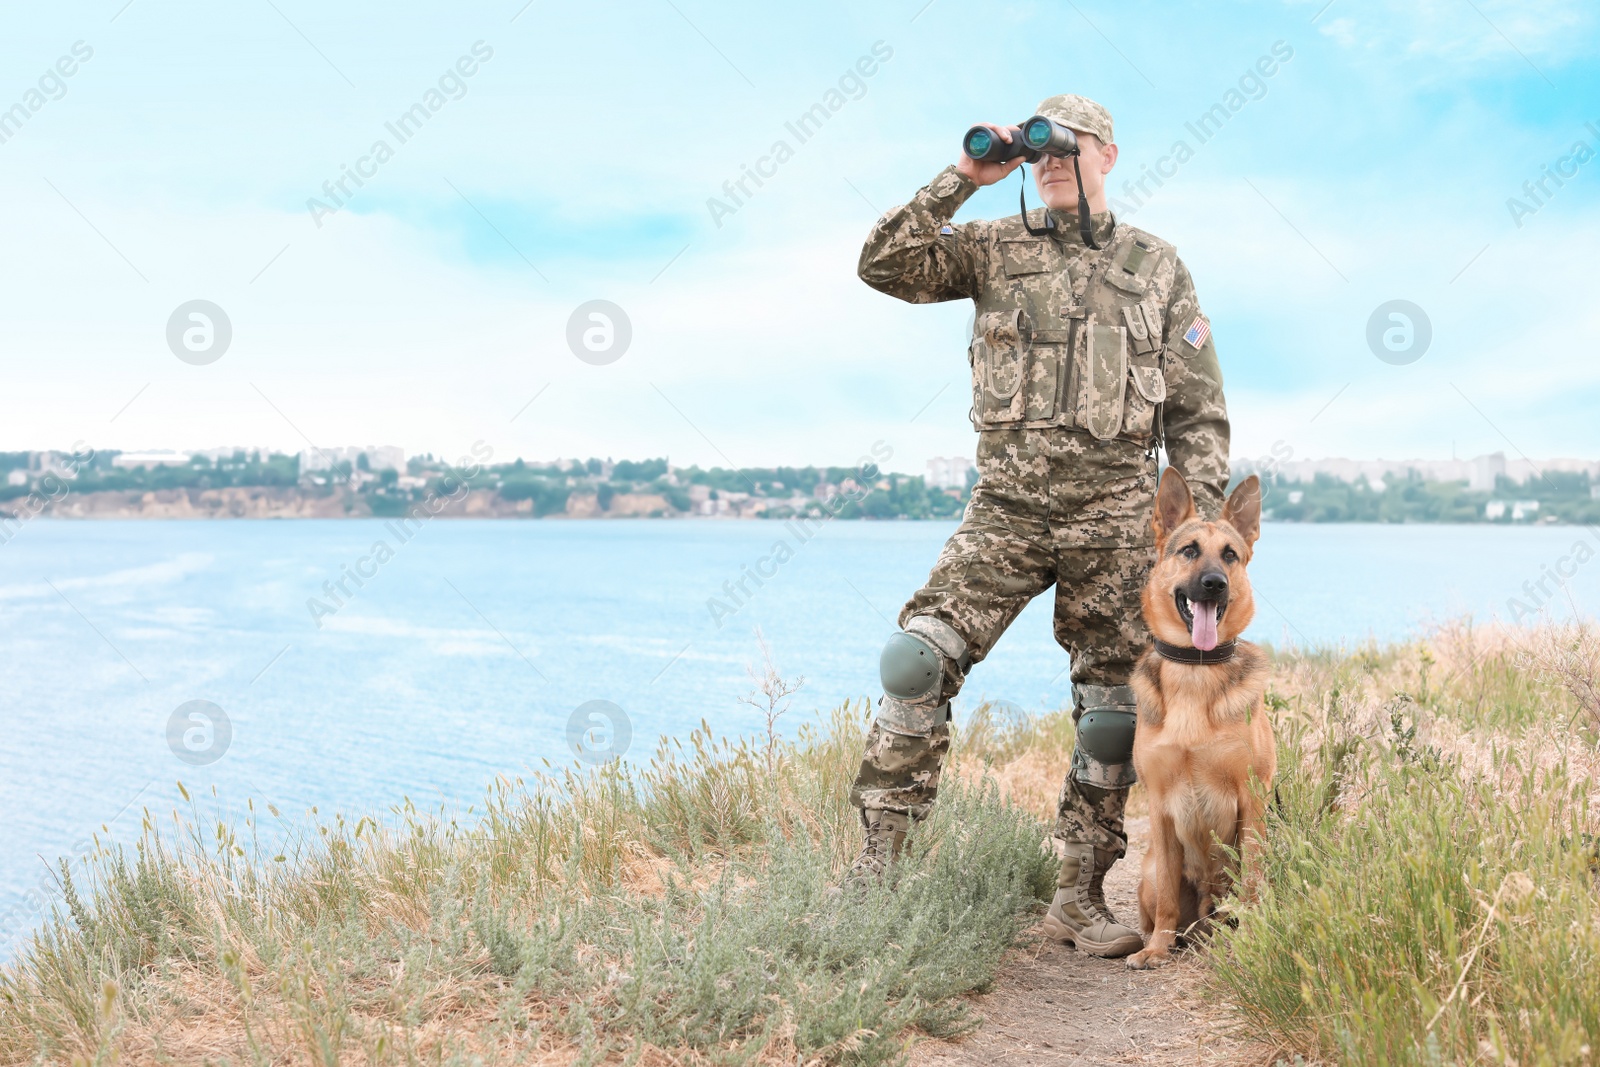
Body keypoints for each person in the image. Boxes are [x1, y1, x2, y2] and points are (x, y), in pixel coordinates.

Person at [844, 94, 1230, 958]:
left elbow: (1199, 416)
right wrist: (967, 176)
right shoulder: (992, 249)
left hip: (1117, 521)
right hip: (1005, 514)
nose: (1050, 159)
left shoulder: (1158, 267)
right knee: (916, 661)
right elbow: (882, 264)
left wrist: (1194, 543)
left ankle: (1078, 894)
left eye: (1068, 144)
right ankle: (876, 879)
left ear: (1109, 155)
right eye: (1037, 150)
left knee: (1110, 716)